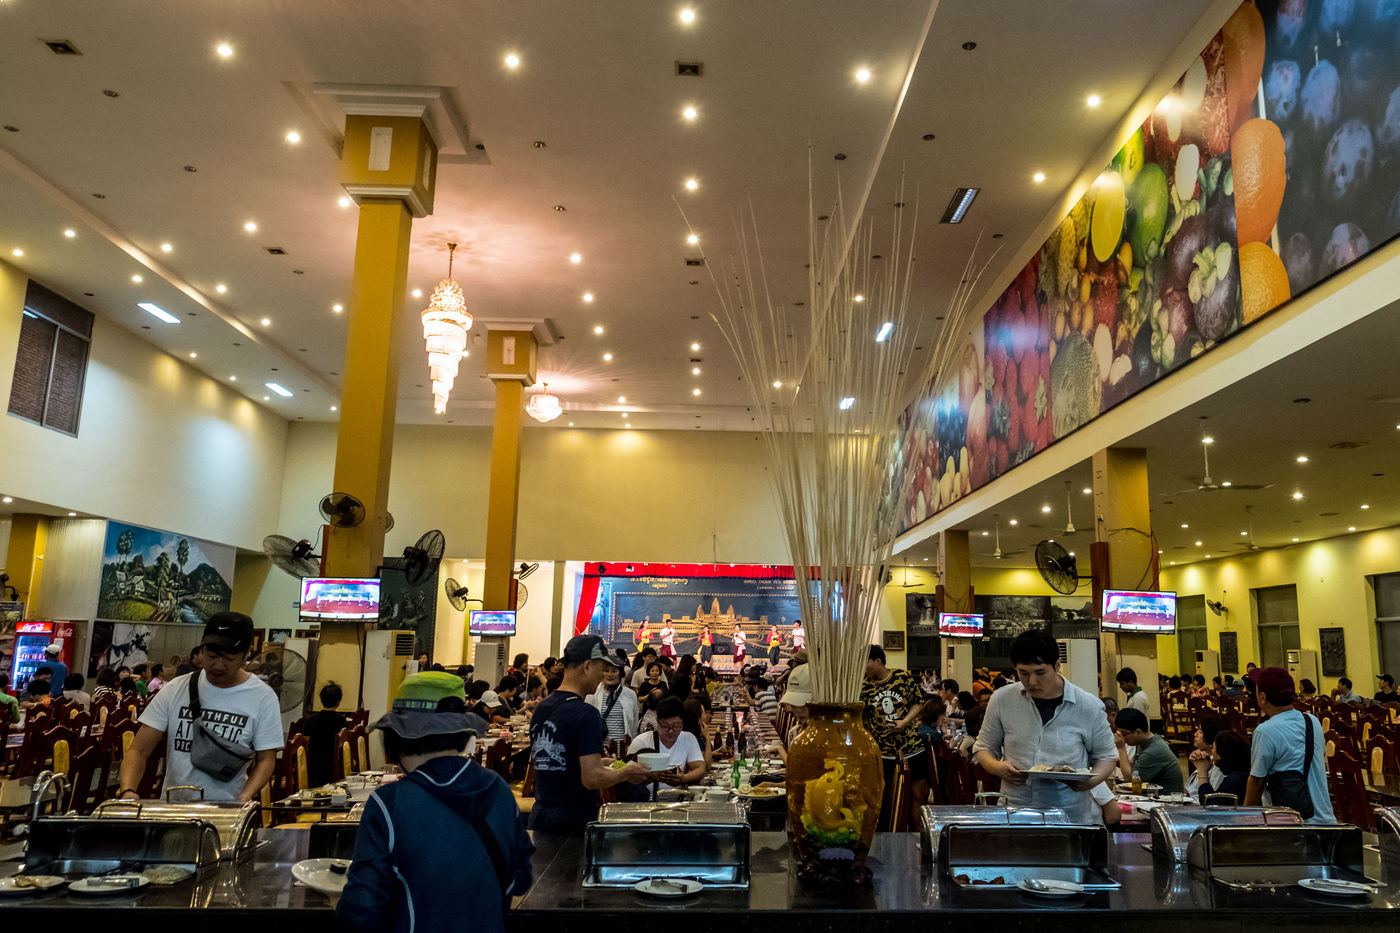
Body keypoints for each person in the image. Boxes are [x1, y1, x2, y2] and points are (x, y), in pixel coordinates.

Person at [337, 672, 527, 933]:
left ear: (396, 735)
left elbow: (362, 908)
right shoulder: (499, 790)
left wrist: (339, 905)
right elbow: (516, 879)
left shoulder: (389, 803)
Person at [118, 612, 283, 802]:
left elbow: (266, 759)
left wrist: (246, 795)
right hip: (174, 807)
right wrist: (127, 791)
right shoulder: (175, 689)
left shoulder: (263, 697)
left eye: (229, 658)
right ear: (201, 649)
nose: (218, 665)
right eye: (211, 656)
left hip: (227, 810)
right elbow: (138, 751)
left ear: (247, 654)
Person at [972, 629, 1117, 824]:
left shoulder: (1088, 706)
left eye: (1040, 672)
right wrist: (998, 767)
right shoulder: (1002, 699)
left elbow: (1107, 756)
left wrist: (1089, 782)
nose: (1032, 681)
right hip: (1016, 812)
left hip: (1071, 815)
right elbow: (983, 748)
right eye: (1023, 673)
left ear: (1057, 665)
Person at [527, 634, 651, 834]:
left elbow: (560, 760)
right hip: (573, 822)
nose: (603, 675)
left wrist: (602, 762)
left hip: (541, 816)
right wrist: (626, 773)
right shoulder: (586, 714)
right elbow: (591, 778)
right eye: (601, 668)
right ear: (587, 666)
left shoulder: (543, 707)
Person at [1244, 667, 1335, 823]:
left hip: (1292, 825)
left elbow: (1256, 781)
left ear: (1263, 697)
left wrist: (1244, 818)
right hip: (1324, 820)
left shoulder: (1265, 731)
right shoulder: (1312, 721)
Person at [861, 644, 929, 828]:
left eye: (865, 662)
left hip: (912, 747)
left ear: (878, 661)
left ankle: (918, 835)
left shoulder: (902, 677)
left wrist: (904, 722)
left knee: (920, 794)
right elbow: (862, 719)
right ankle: (888, 836)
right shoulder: (864, 687)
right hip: (883, 752)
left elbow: (918, 703)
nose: (862, 668)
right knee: (886, 799)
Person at [625, 697, 707, 798]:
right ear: (657, 722)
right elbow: (626, 777)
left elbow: (700, 768)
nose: (671, 731)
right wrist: (651, 776)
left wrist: (683, 778)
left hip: (676, 800)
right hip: (645, 800)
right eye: (665, 726)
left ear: (682, 723)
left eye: (676, 726)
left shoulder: (688, 738)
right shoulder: (641, 741)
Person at [1114, 708, 1184, 793]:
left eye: (1124, 734)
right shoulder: (1144, 742)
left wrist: (1121, 749)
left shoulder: (1154, 750)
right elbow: (1133, 764)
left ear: (1138, 732)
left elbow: (1130, 779)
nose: (1122, 739)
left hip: (1167, 798)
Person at [301, 682, 351, 787]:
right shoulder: (341, 721)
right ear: (338, 702)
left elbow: (303, 740)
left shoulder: (311, 720)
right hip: (333, 768)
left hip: (313, 767)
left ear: (321, 700)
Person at [586, 658, 639, 746]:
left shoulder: (630, 694)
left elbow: (634, 723)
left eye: (614, 671)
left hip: (623, 746)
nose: (609, 675)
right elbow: (587, 722)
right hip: (599, 747)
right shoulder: (592, 694)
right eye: (606, 671)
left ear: (620, 674)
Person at [1194, 729, 1250, 805]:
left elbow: (1210, 803)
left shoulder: (1234, 780)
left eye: (1213, 748)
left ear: (1221, 753)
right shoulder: (1241, 773)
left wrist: (1202, 772)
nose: (1212, 752)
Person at [1185, 715, 1228, 796]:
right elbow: (1190, 790)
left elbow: (1210, 797)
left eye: (1200, 731)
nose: (1195, 734)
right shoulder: (1203, 758)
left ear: (1211, 736)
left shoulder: (1218, 766)